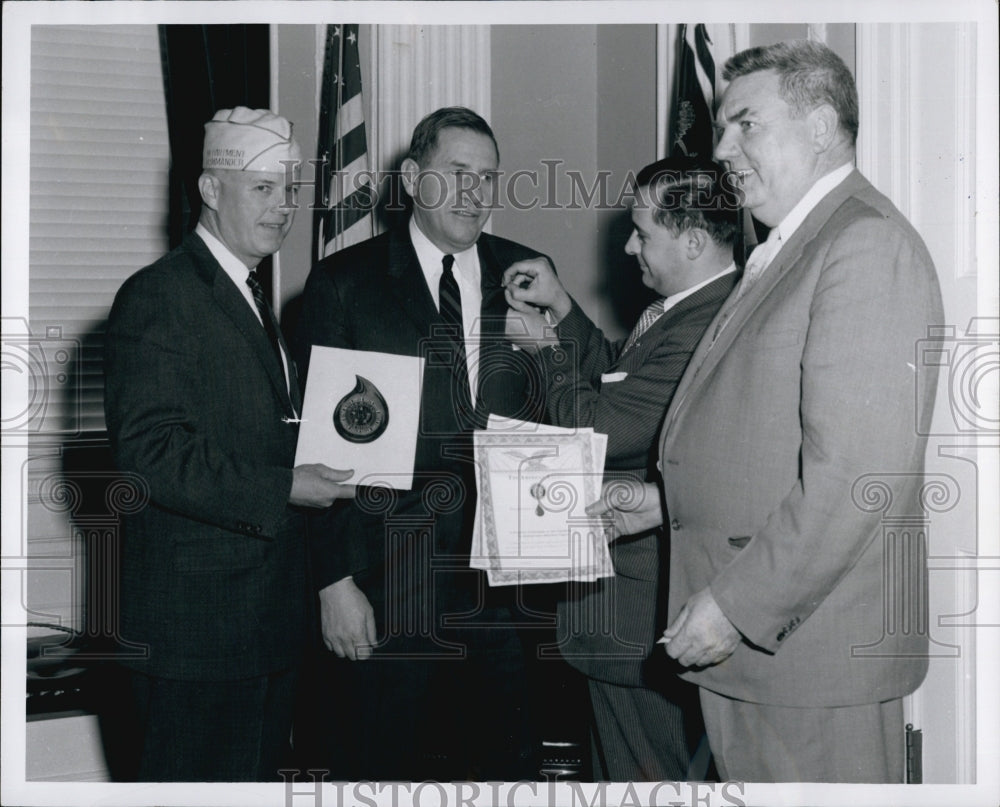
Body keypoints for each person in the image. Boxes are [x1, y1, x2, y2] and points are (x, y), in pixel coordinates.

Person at [594, 40, 944, 782]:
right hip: (775, 659)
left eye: (744, 124)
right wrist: (666, 502)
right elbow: (773, 438)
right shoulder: (795, 245)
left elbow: (857, 476)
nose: (721, 149)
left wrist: (734, 606)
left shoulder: (865, 244)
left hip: (806, 663)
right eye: (722, 128)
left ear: (820, 125)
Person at [293, 106, 548, 781]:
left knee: (501, 776)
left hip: (502, 594)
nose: (474, 193)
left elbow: (559, 416)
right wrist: (332, 579)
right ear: (411, 178)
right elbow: (316, 453)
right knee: (378, 771)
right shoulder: (344, 283)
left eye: (487, 178)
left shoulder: (526, 277)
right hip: (385, 583)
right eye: (457, 173)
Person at [104, 107, 355, 782]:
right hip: (196, 641)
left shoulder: (248, 296)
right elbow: (149, 452)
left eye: (291, 189)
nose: (283, 207)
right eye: (263, 188)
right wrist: (287, 487)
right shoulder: (159, 295)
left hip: (262, 631)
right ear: (210, 190)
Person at [503, 157, 739, 781]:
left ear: (692, 239)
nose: (629, 246)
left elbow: (602, 429)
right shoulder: (682, 307)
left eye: (642, 233)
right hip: (631, 612)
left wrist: (547, 354)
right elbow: (620, 378)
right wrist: (561, 306)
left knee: (643, 779)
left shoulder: (707, 322)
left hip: (640, 617)